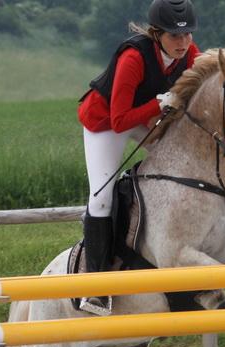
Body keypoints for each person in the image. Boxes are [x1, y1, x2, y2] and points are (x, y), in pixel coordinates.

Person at [76, 0, 200, 315]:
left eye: (187, 35)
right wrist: (160, 104)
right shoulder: (133, 57)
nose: (183, 43)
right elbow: (120, 121)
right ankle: (96, 287)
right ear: (157, 34)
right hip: (105, 122)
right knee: (101, 197)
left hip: (142, 118)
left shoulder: (189, 54)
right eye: (175, 36)